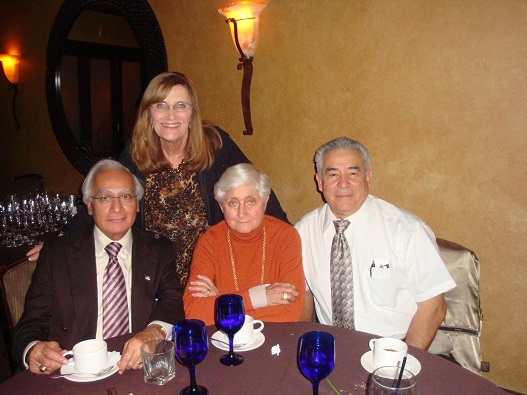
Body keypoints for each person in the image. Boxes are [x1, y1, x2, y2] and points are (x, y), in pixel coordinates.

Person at [27, 72, 288, 286]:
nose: (171, 116)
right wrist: (60, 240)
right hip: (154, 273)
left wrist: (287, 234)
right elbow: (107, 196)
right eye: (161, 106)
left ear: (191, 113)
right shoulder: (136, 151)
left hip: (211, 270)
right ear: (149, 114)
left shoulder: (214, 144)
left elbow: (255, 186)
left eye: (180, 106)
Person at [13, 159, 184, 375]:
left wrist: (153, 332)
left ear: (137, 204)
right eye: (104, 197)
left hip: (135, 368)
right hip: (74, 373)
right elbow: (29, 326)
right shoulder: (57, 254)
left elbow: (173, 302)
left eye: (126, 196)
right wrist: (33, 350)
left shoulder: (159, 249)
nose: (117, 207)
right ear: (90, 206)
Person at [295, 137, 456, 352]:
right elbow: (304, 293)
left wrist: (399, 363)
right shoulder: (303, 231)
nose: (343, 183)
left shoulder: (406, 230)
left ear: (368, 177)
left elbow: (434, 307)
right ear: (320, 181)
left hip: (397, 347)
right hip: (332, 348)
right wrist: (307, 343)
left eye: (353, 173)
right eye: (333, 174)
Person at [184, 163, 305, 325]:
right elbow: (194, 312)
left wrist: (223, 304)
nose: (242, 213)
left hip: (274, 340)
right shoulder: (209, 242)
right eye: (233, 203)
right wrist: (260, 298)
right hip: (226, 341)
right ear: (221, 206)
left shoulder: (286, 237)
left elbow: (292, 312)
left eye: (250, 201)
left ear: (265, 201)